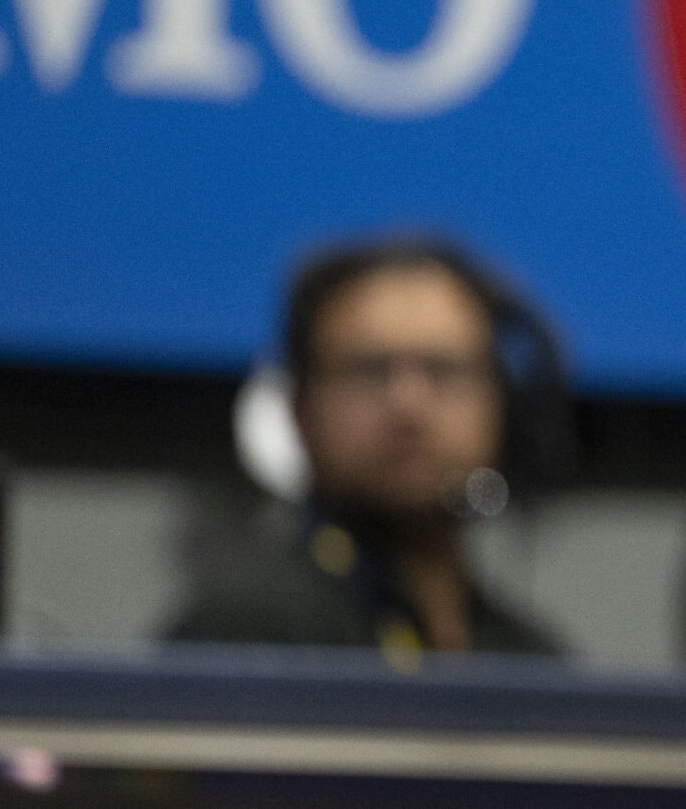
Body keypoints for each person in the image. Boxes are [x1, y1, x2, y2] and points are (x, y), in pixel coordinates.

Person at [170, 236, 563, 658]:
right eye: (369, 371)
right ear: (300, 409)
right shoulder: (241, 636)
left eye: (443, 371)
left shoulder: (530, 661)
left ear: (501, 405)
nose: (408, 406)